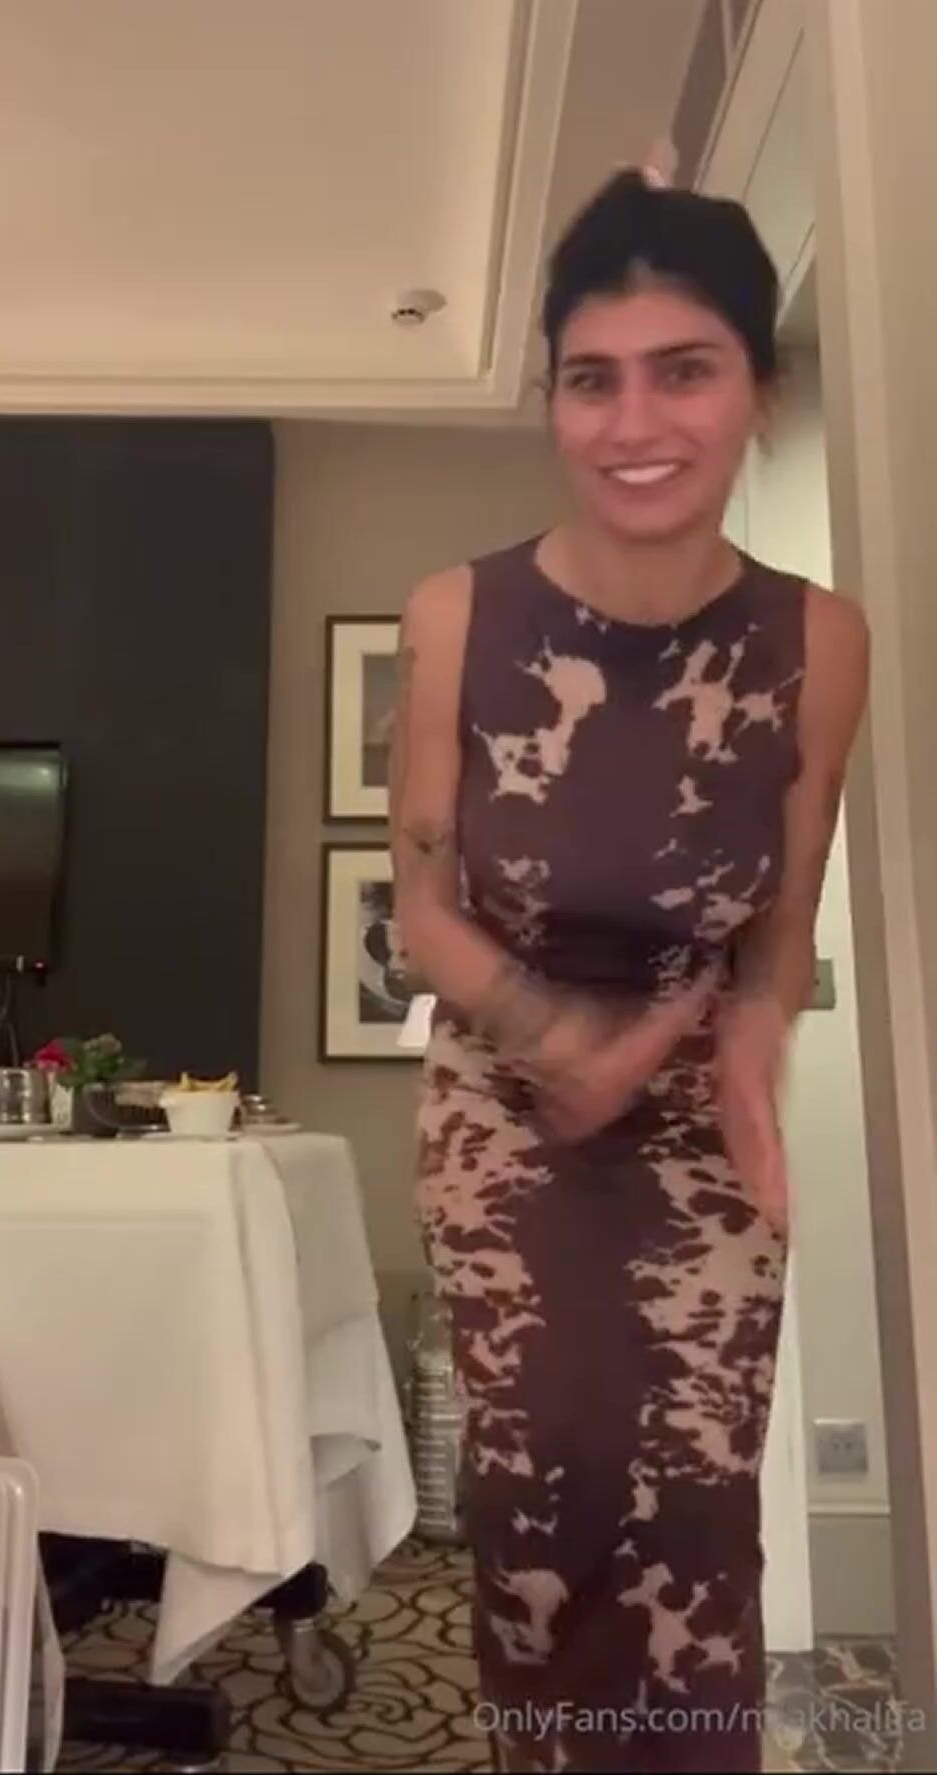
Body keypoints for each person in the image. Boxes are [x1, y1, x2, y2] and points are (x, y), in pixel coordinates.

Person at [394, 167, 869, 1771]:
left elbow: (783, 916)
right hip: (506, 1104)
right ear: (553, 399)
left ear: (758, 391)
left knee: (695, 1515)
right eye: (592, 378)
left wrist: (752, 1055)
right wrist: (553, 1036)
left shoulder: (821, 640)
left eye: (686, 368)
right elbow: (423, 905)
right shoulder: (460, 616)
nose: (635, 420)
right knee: (545, 1499)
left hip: (693, 1120)